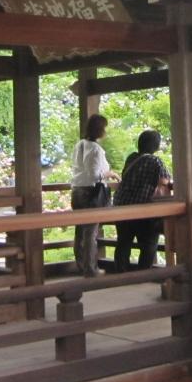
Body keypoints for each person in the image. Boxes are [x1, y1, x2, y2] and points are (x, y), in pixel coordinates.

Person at [112, 130, 172, 272]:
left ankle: (121, 274)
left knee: (123, 243)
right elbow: (164, 180)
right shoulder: (155, 161)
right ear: (155, 145)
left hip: (122, 206)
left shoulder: (131, 158)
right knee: (148, 244)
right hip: (142, 208)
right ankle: (143, 275)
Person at [70, 113, 118, 276]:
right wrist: (110, 174)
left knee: (80, 231)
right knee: (90, 232)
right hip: (91, 193)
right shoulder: (95, 149)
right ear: (100, 130)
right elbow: (94, 175)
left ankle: (81, 266)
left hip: (77, 190)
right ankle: (90, 269)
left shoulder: (80, 145)